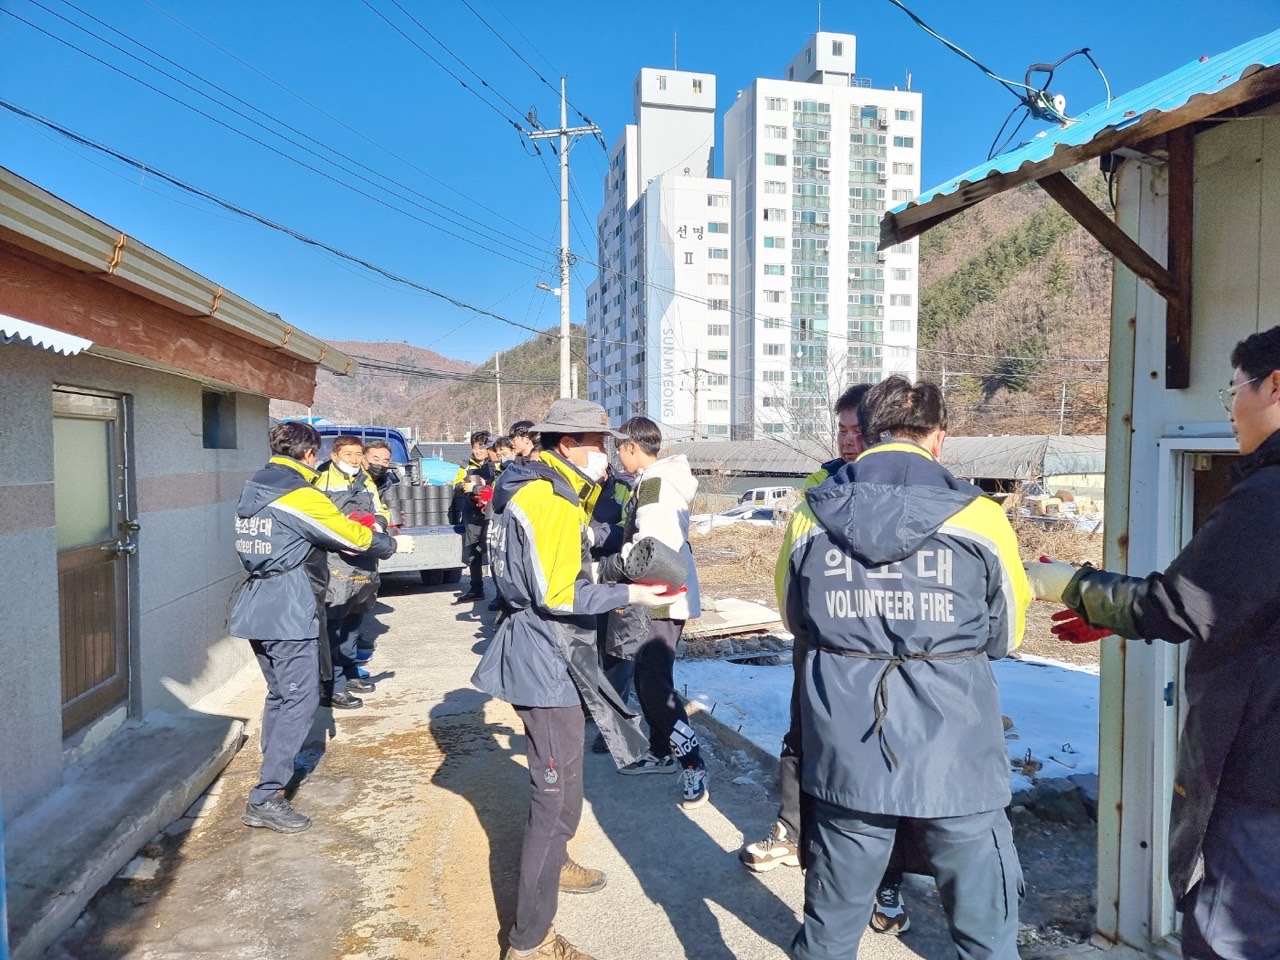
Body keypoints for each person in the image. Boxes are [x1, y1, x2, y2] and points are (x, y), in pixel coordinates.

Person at [1026, 326, 1280, 960]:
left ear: (1275, 385)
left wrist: (1071, 585)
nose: (1230, 409)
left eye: (1234, 390)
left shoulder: (1268, 496)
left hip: (1262, 779)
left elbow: (1180, 603)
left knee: (1234, 935)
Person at [780, 377, 1030, 960]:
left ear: (867, 434)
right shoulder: (981, 516)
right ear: (938, 438)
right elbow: (1007, 634)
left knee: (829, 932)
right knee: (987, 937)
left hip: (847, 747)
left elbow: (796, 618)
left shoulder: (811, 512)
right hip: (957, 755)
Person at [472, 398, 676, 960]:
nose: (606, 455)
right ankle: (529, 940)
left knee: (567, 775)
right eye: (596, 444)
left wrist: (613, 536)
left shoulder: (535, 488)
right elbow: (559, 593)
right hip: (545, 653)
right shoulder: (548, 500)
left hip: (552, 650)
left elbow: (571, 544)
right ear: (566, 445)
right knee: (554, 792)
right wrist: (632, 592)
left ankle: (556, 862)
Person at [741, 382, 916, 934]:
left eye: (856, 430)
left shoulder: (906, 492)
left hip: (887, 655)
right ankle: (793, 832)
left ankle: (888, 878)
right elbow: (790, 581)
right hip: (819, 648)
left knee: (885, 759)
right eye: (840, 429)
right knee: (802, 739)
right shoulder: (819, 488)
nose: (846, 440)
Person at [229, 422, 408, 833]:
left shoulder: (254, 487)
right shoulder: (298, 494)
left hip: (258, 603)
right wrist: (391, 544)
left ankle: (274, 774)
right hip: (289, 607)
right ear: (310, 454)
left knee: (281, 695)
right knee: (301, 699)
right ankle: (265, 796)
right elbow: (349, 535)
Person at [597, 416, 709, 808]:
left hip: (660, 596)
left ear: (631, 446)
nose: (617, 456)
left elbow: (649, 547)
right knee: (652, 680)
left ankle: (693, 763)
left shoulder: (655, 486)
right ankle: (661, 751)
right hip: (662, 593)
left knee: (653, 685)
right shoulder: (656, 480)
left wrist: (607, 568)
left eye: (619, 448)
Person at [315, 435, 388, 709]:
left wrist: (376, 524)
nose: (355, 460)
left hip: (364, 562)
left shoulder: (366, 481)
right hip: (335, 564)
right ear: (334, 456)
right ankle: (333, 686)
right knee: (333, 625)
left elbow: (381, 510)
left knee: (355, 619)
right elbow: (317, 521)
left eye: (358, 454)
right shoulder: (321, 480)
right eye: (348, 454)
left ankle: (349, 673)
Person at [455, 430, 492, 603]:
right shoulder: (466, 466)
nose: (477, 451)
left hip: (491, 512)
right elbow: (455, 485)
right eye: (474, 447)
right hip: (472, 513)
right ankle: (476, 588)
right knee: (473, 551)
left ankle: (501, 594)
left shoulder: (494, 464)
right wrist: (464, 486)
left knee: (495, 550)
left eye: (481, 447)